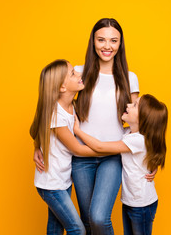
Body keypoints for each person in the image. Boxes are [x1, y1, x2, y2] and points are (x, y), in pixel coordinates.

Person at [34, 18, 155, 234]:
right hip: (81, 159)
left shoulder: (130, 78)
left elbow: (139, 122)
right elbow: (49, 108)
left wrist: (149, 159)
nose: (107, 46)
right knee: (87, 220)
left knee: (99, 217)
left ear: (120, 44)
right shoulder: (78, 73)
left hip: (112, 156)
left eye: (113, 40)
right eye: (101, 40)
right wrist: (38, 145)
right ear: (93, 41)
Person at [30, 59, 112, 235]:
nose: (79, 75)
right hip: (51, 185)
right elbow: (77, 149)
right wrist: (110, 149)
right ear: (61, 87)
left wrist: (38, 146)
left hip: (63, 180)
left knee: (55, 227)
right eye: (73, 74)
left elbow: (38, 129)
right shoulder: (56, 115)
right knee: (77, 230)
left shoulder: (71, 106)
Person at [73, 94, 168, 235]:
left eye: (135, 105)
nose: (128, 105)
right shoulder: (129, 133)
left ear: (143, 119)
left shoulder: (137, 140)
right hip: (131, 202)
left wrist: (77, 131)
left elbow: (100, 147)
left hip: (142, 205)